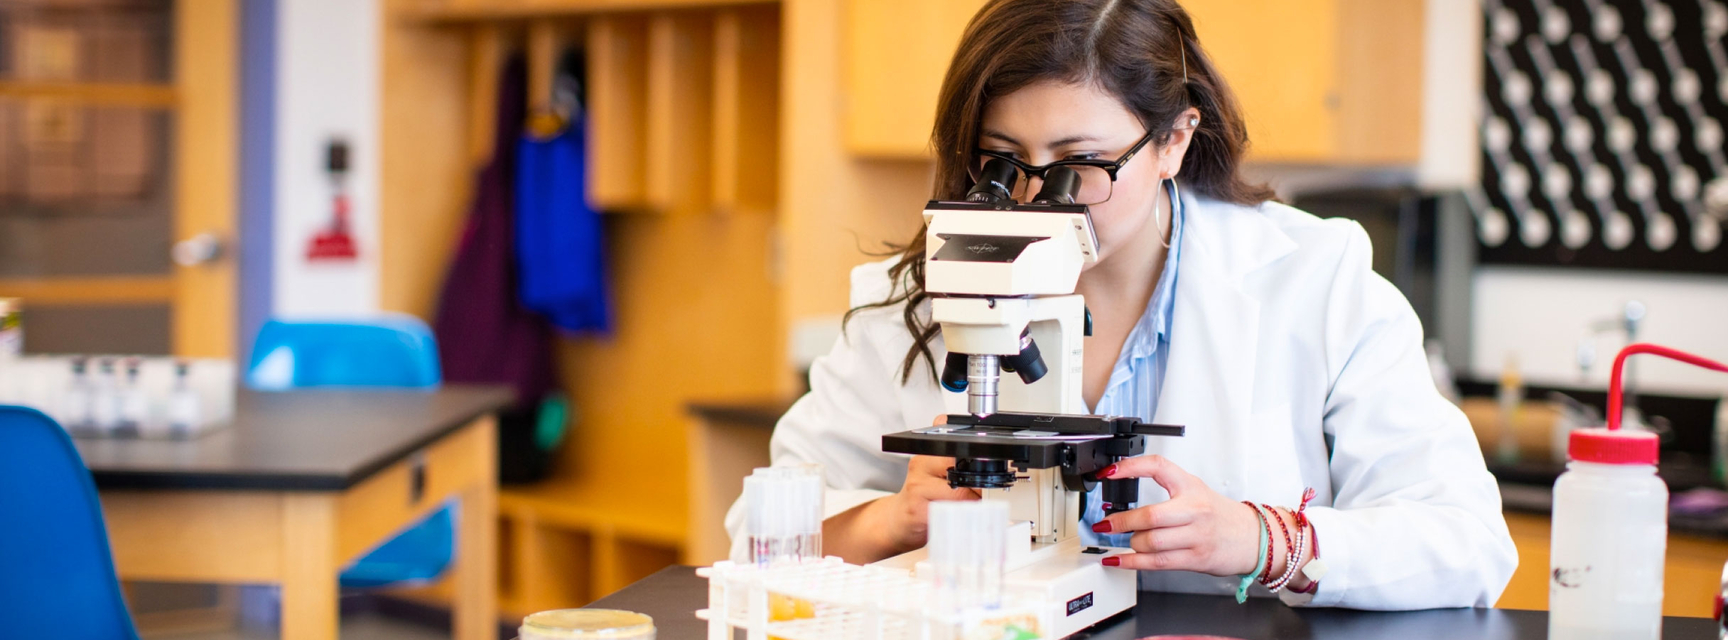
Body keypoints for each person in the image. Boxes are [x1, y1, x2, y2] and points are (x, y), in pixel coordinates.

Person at [727, 0, 1515, 609]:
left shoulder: (1314, 280)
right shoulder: (922, 290)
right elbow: (760, 529)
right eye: (1003, 163)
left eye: (1082, 165)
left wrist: (1262, 538)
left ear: (1173, 139)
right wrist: (889, 519)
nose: (1041, 200)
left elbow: (1469, 543)